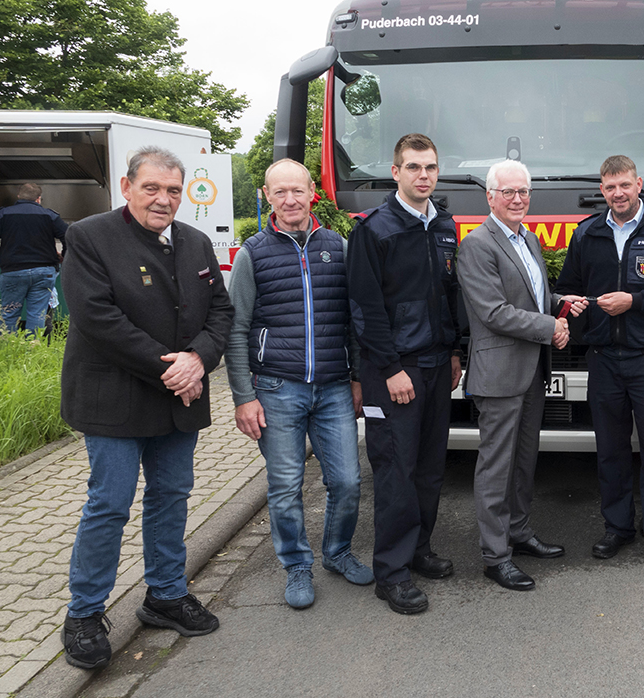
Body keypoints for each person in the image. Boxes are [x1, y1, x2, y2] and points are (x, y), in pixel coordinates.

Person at [59, 147, 233, 669]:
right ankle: (85, 613)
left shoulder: (197, 242)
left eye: (173, 190)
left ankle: (165, 595)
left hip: (179, 400)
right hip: (115, 400)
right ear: (127, 185)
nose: (163, 199)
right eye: (153, 188)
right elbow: (97, 318)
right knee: (109, 504)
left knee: (171, 497)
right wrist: (174, 369)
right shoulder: (89, 237)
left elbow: (221, 310)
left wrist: (200, 358)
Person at [228, 159, 374, 610]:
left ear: (312, 192)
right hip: (276, 389)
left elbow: (354, 319)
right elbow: (237, 329)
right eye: (279, 192)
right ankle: (296, 565)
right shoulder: (252, 253)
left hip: (332, 388)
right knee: (286, 488)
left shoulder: (339, 246)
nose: (290, 200)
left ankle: (337, 553)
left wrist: (356, 379)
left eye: (297, 190)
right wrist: (243, 398)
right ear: (267, 197)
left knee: (348, 482)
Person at [555, 155, 644, 579]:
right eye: (609, 187)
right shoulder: (587, 234)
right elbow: (566, 289)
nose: (617, 194)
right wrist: (572, 308)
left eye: (624, 185)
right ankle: (617, 528)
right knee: (611, 452)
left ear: (638, 184)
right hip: (604, 360)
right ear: (603, 191)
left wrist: (634, 301)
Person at [347, 133, 463, 615]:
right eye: (413, 167)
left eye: (430, 167)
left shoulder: (444, 226)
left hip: (437, 365)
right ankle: (390, 572)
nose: (423, 175)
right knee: (395, 470)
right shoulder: (374, 230)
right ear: (395, 172)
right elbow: (364, 308)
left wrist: (455, 351)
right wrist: (391, 368)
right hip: (394, 371)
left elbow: (449, 296)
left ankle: (418, 550)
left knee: (430, 467)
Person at [456, 160, 573, 592]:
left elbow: (531, 294)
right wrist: (550, 327)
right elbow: (493, 311)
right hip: (500, 374)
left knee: (523, 464)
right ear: (490, 197)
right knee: (496, 469)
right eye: (508, 192)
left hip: (530, 372)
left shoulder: (527, 238)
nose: (518, 199)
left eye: (523, 191)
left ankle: (519, 534)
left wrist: (561, 301)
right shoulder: (478, 245)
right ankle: (494, 555)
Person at [0, 182, 68, 334]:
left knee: (9, 314)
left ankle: (8, 352)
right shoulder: (50, 216)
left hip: (13, 271)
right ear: (39, 199)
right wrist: (64, 256)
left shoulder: (2, 214)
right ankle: (33, 352)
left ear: (19, 196)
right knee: (37, 315)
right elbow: (70, 236)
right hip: (44, 272)